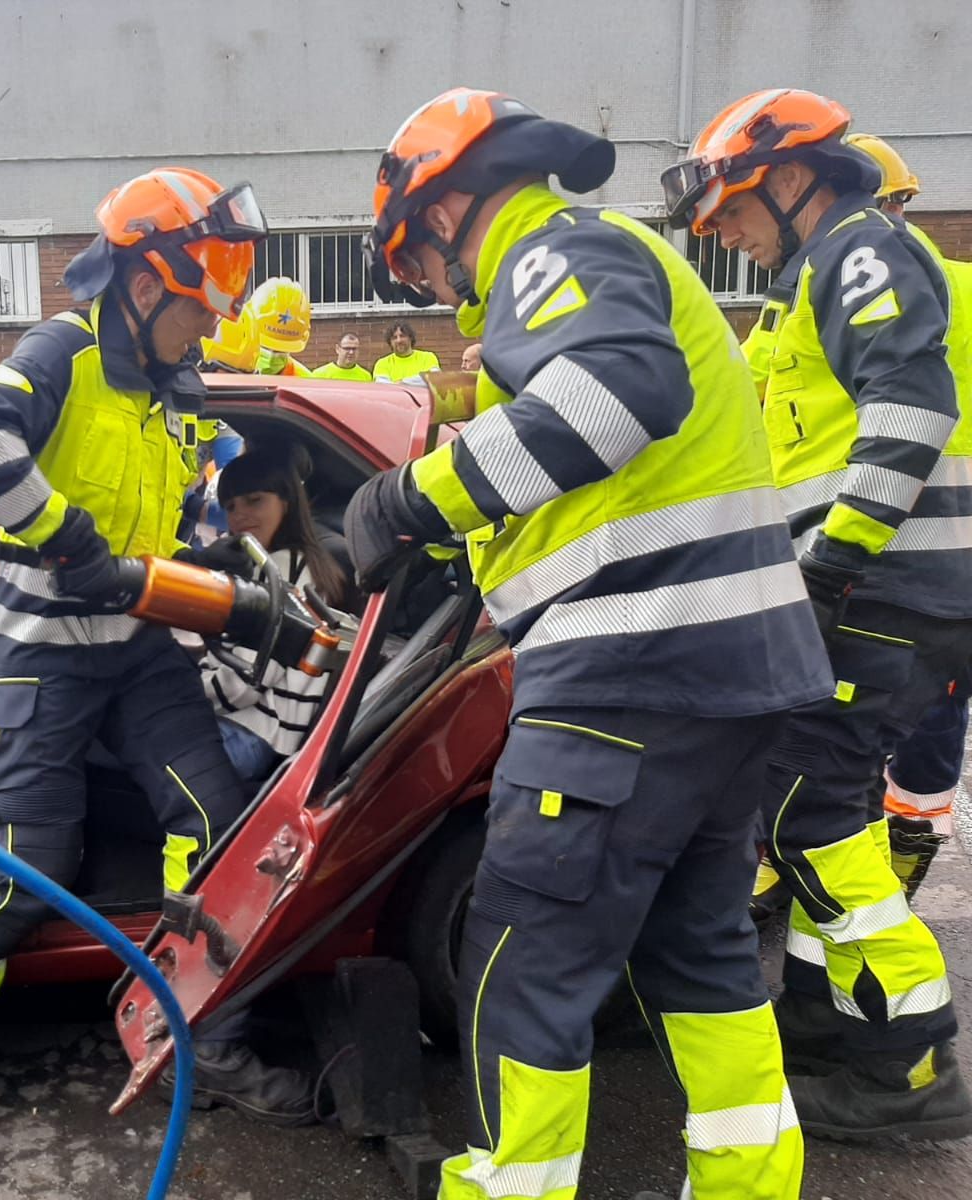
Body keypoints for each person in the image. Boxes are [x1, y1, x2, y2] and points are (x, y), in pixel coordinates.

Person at [352, 86, 827, 1199]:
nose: (421, 284)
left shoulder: (545, 250)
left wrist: (409, 503)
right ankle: (749, 1185)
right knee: (697, 954)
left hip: (629, 675)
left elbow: (616, 396)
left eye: (410, 256)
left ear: (444, 206)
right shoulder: (590, 265)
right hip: (729, 678)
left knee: (523, 965)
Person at [0, 167, 314, 1168]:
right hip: (45, 657)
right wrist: (65, 535)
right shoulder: (63, 356)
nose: (205, 332)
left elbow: (184, 513)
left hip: (140, 650)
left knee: (211, 833)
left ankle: (193, 1034)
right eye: (197, 310)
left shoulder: (176, 386)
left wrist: (235, 568)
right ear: (146, 285)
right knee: (30, 870)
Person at [667, 88, 972, 1142]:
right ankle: (825, 1019)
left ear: (792, 178)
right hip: (880, 591)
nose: (727, 240)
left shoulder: (859, 254)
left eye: (733, 215)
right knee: (808, 805)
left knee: (805, 808)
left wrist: (831, 563)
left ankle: (907, 1064)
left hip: (881, 592)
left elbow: (911, 410)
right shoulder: (817, 278)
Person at [846, 131, 970, 897]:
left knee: (861, 720)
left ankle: (867, 870)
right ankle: (899, 851)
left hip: (898, 553)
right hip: (926, 557)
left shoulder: (851, 295)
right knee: (934, 711)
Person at [199, 447, 351, 782]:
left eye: (255, 501)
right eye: (231, 507)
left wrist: (189, 690)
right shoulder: (300, 562)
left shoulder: (281, 572)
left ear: (287, 501)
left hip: (253, 735)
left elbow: (246, 682)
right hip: (264, 733)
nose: (240, 517)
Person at [250, 276, 313, 375]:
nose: (272, 357)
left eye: (280, 351)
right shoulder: (227, 371)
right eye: (265, 347)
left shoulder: (305, 381)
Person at [372, 319, 441, 382]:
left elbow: (434, 379)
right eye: (394, 338)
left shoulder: (427, 357)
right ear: (390, 342)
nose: (399, 340)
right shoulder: (382, 363)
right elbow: (385, 388)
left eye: (402, 336)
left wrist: (401, 382)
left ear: (410, 338)